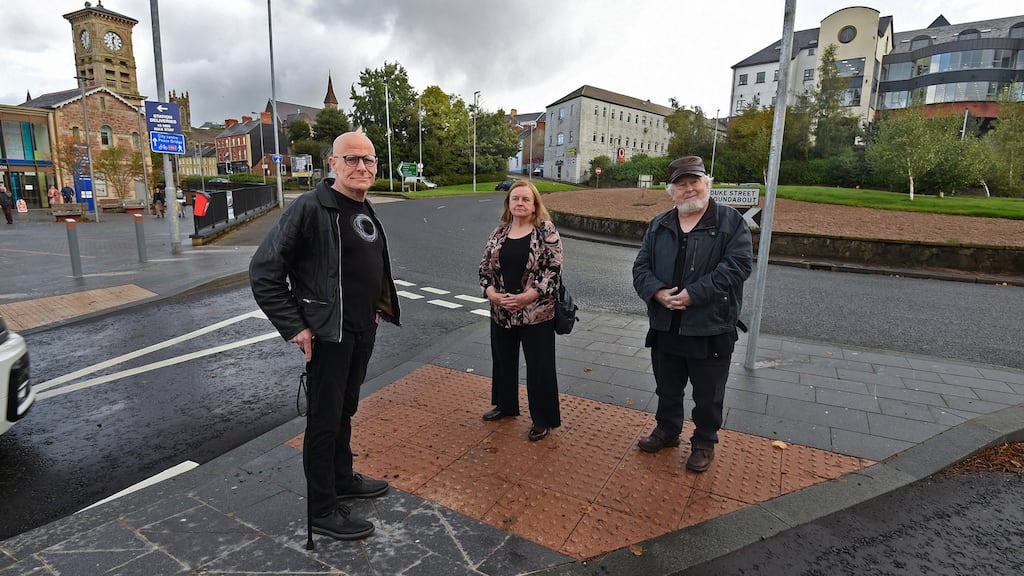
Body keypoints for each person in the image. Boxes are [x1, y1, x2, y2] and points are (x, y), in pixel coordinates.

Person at [249, 129, 401, 542]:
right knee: (323, 420)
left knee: (345, 409)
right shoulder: (310, 208)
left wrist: (376, 308)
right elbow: (264, 272)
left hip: (360, 330)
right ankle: (322, 509)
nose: (361, 167)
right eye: (351, 159)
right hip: (328, 335)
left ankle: (341, 478)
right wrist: (295, 326)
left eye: (368, 160)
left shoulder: (362, 206)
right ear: (331, 164)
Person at [632, 156, 753, 472]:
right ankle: (668, 430)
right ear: (671, 191)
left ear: (707, 184)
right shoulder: (660, 224)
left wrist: (693, 294)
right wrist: (658, 293)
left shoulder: (729, 221)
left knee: (708, 394)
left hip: (710, 326)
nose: (688, 190)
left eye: (694, 182)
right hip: (666, 324)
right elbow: (640, 267)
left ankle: (703, 442)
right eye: (681, 185)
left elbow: (738, 266)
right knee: (667, 387)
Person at [478, 180, 563, 442]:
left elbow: (554, 270)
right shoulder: (499, 232)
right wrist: (491, 293)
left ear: (535, 203)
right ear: (508, 204)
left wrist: (528, 296)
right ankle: (505, 405)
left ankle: (543, 419)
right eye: (515, 199)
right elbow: (485, 268)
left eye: (526, 199)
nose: (520, 203)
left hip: (536, 312)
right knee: (503, 360)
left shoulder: (545, 230)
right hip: (502, 310)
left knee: (540, 367)